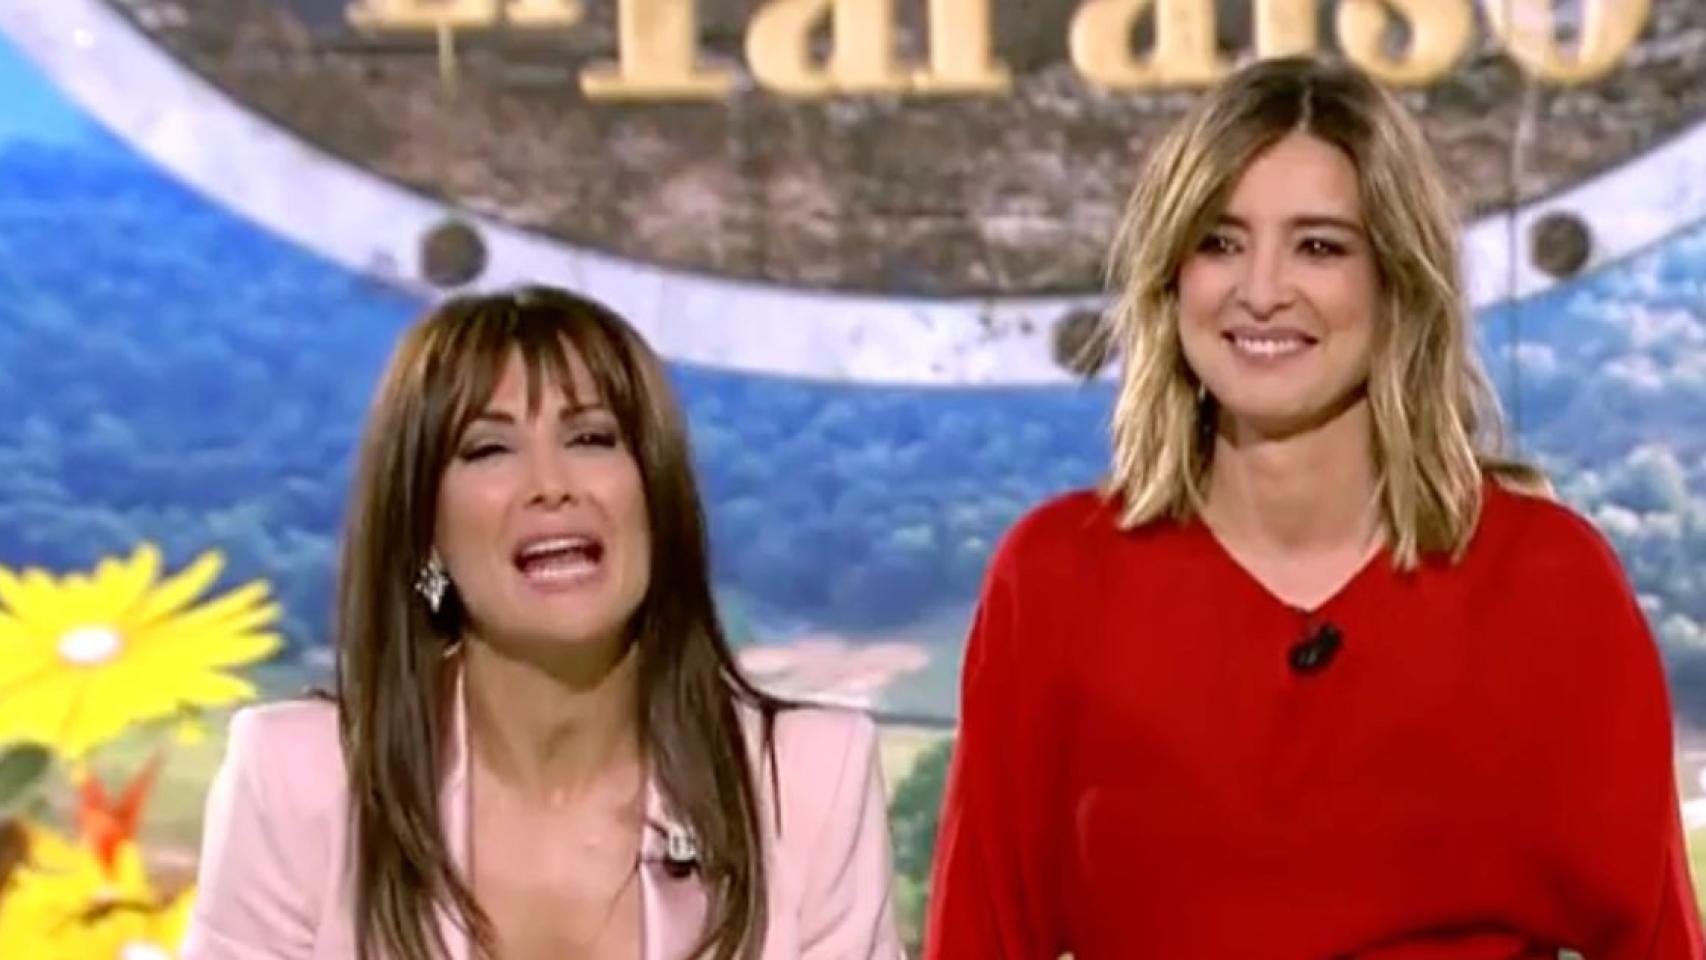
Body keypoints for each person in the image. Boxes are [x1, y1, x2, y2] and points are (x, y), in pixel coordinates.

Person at [925, 56, 1704, 959]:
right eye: (1219, 243)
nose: (1261, 291)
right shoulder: (1056, 581)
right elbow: (978, 936)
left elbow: (1655, 941)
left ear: (1396, 282)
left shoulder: (1548, 582)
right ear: (1171, 279)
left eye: (1320, 247)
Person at [183, 286, 902, 960]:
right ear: (424, 528)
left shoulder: (809, 786)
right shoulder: (299, 782)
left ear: (656, 494)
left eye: (591, 438)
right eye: (489, 450)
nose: (551, 486)